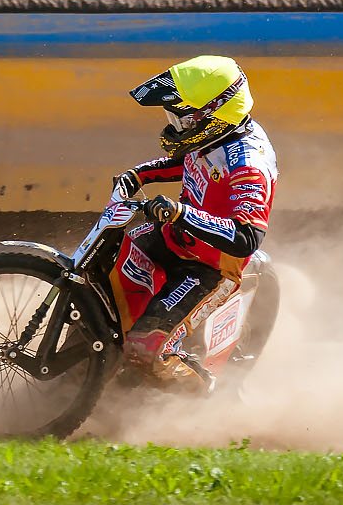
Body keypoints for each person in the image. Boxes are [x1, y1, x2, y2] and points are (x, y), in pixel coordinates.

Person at [112, 55, 277, 388]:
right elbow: (189, 161)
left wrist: (180, 213)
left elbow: (247, 237)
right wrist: (141, 173)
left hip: (211, 267)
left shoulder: (249, 164)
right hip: (174, 236)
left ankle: (200, 396)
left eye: (182, 119)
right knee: (103, 266)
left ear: (217, 114)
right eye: (171, 116)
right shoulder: (216, 136)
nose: (175, 126)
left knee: (145, 349)